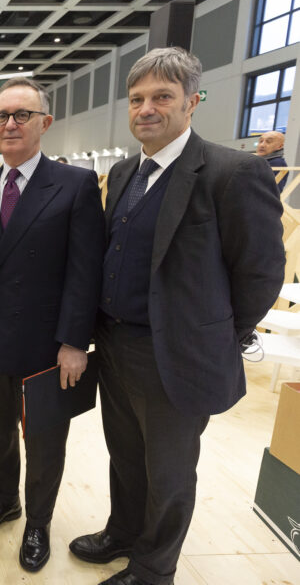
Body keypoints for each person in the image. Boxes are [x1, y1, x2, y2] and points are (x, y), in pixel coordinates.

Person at [68, 48, 284, 585]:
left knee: (168, 469)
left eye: (162, 97)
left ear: (191, 102)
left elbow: (261, 273)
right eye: (137, 99)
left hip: (176, 353)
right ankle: (123, 532)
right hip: (116, 344)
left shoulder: (233, 172)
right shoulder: (124, 171)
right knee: (125, 454)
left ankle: (153, 568)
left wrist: (216, 335)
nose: (146, 109)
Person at [0, 77, 105, 572]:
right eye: (2, 116)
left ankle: (38, 521)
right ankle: (6, 500)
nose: (10, 124)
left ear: (45, 122)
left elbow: (85, 271)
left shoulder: (75, 184)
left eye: (22, 114)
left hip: (48, 341)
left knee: (43, 437)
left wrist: (75, 342)